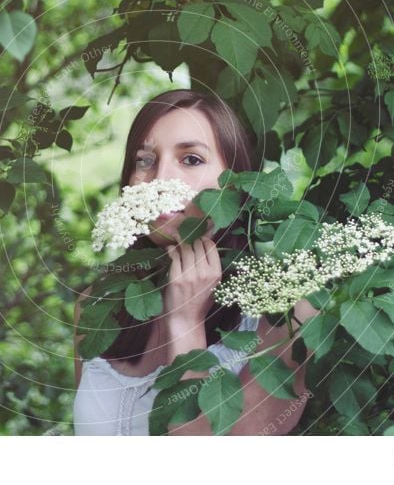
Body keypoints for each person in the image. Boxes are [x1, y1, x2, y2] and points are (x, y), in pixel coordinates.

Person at [73, 89, 318, 435]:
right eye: (145, 160)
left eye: (191, 159)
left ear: (234, 182)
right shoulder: (95, 307)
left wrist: (185, 322)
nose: (159, 181)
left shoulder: (285, 317)